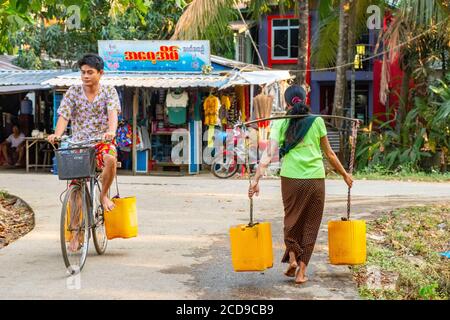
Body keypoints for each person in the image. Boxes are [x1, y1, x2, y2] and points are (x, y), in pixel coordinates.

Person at [248, 85, 353, 285]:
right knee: (311, 224)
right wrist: (345, 174)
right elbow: (330, 154)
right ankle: (302, 273)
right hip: (315, 180)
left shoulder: (280, 123)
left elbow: (269, 154)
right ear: (305, 99)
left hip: (291, 179)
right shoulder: (317, 121)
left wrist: (256, 179)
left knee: (291, 220)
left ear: (286, 103)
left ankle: (293, 258)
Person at [47, 53, 120, 213]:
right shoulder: (73, 92)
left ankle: (103, 196)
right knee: (75, 188)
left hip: (102, 142)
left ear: (100, 73)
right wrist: (57, 134)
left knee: (111, 159)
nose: (85, 76)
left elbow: (112, 113)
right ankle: (74, 236)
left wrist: (111, 131)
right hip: (78, 145)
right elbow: (64, 115)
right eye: (83, 72)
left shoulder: (109, 91)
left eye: (90, 72)